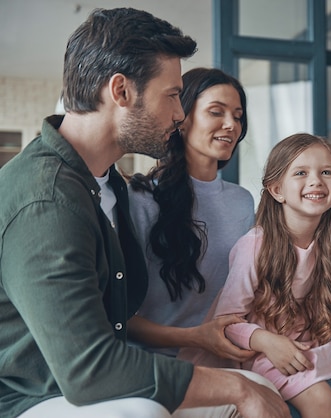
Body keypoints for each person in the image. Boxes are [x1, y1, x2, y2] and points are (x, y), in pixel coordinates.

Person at [0, 8, 289, 418]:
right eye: (172, 95)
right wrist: (233, 386)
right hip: (37, 397)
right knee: (145, 411)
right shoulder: (46, 200)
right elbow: (89, 371)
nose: (178, 113)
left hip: (96, 382)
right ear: (121, 91)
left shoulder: (107, 183)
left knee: (259, 387)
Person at [208, 133, 331, 418]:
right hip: (267, 355)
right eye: (301, 173)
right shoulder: (254, 246)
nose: (316, 181)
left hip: (316, 349)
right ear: (277, 189)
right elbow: (225, 322)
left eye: (326, 172)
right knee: (321, 400)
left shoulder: (328, 248)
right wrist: (267, 341)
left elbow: (327, 324)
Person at [127, 67, 256, 365]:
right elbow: (121, 318)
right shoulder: (142, 200)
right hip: (161, 364)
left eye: (237, 116)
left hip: (230, 360)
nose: (230, 125)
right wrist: (196, 337)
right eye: (216, 112)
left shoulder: (243, 201)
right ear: (181, 119)